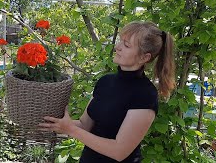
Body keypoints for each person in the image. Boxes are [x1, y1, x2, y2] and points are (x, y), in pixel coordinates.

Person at [39, 21, 176, 162]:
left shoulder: (145, 94)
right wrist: (55, 123)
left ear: (144, 57)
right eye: (120, 42)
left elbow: (119, 151)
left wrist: (71, 130)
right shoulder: (105, 82)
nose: (117, 47)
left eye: (126, 45)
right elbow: (84, 125)